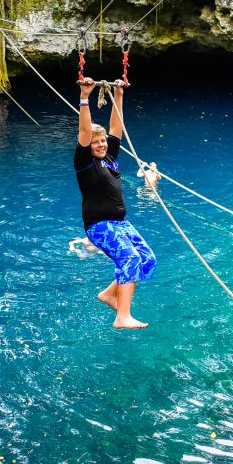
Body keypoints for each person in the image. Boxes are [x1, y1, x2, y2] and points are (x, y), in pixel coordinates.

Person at [74, 77, 156, 330]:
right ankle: (122, 317)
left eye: (102, 141)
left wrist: (118, 95)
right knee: (130, 259)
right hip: (99, 225)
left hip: (120, 223)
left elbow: (116, 128)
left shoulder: (109, 157)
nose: (99, 144)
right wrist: (85, 97)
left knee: (147, 259)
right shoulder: (84, 162)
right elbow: (85, 132)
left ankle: (109, 294)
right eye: (95, 142)